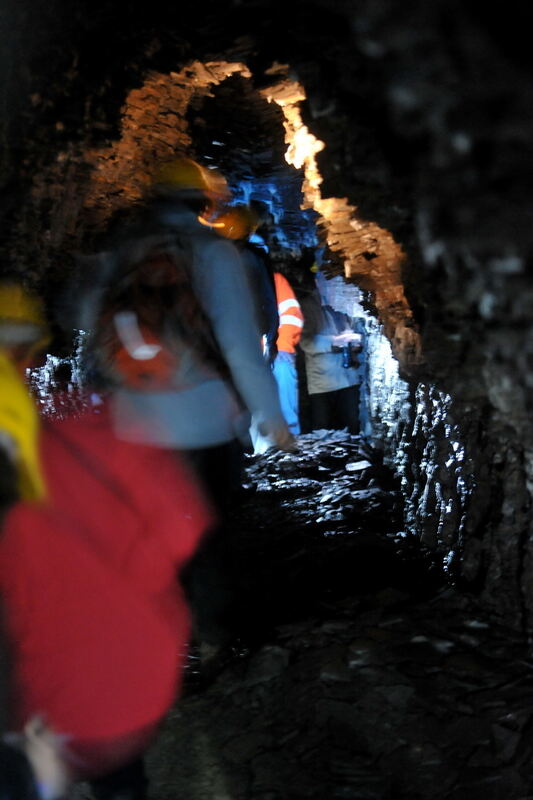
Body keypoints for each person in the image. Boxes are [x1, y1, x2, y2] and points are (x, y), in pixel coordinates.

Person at [299, 270, 362, 434]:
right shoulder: (307, 306)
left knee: (353, 427)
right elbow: (306, 342)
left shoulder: (342, 306)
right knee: (323, 430)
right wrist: (335, 341)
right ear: (318, 283)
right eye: (327, 283)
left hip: (349, 379)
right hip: (323, 384)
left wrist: (355, 342)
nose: (331, 288)